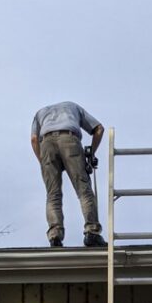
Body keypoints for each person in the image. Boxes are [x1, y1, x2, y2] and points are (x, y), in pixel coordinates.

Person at [31, 101, 106, 248]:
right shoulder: (73, 107)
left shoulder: (40, 113)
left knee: (53, 194)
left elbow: (34, 139)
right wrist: (91, 153)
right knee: (83, 189)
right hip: (69, 140)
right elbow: (99, 129)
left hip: (45, 144)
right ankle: (92, 233)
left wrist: (43, 161)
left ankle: (55, 236)